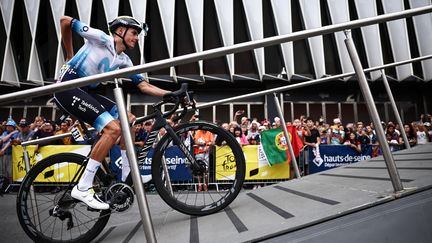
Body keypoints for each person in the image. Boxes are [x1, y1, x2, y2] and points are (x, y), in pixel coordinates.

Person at [53, 16, 173, 210]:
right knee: (113, 130)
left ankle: (128, 175)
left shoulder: (124, 60)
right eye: (134, 33)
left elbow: (143, 85)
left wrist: (170, 94)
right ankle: (83, 187)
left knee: (129, 120)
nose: (137, 38)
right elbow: (65, 21)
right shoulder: (100, 38)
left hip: (85, 93)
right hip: (67, 89)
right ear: (120, 31)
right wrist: (69, 55)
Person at [0, 119, 19, 187]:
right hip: (3, 154)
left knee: (9, 171)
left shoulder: (17, 133)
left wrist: (3, 149)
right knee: (3, 171)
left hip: (10, 154)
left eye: (10, 126)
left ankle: (11, 186)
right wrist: (11, 133)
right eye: (7, 126)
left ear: (13, 127)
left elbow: (10, 142)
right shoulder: (5, 133)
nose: (8, 127)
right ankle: (4, 185)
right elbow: (3, 140)